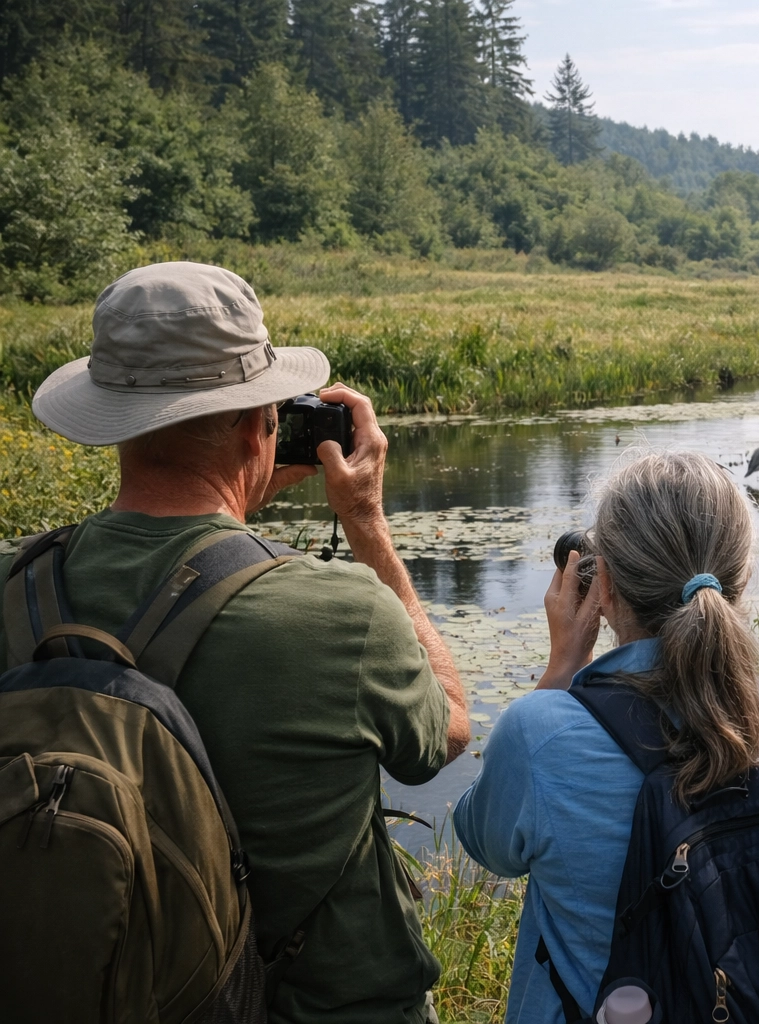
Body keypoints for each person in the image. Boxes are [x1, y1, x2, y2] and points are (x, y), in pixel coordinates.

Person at [2, 262, 471, 1023]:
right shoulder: (343, 614)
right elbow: (446, 732)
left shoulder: (13, 583)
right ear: (263, 423)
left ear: (109, 419)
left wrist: (232, 513)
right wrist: (369, 529)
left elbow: (152, 553)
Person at [453, 451, 759, 1024]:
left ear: (602, 585)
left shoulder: (539, 736)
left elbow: (486, 846)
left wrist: (560, 671)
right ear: (743, 577)